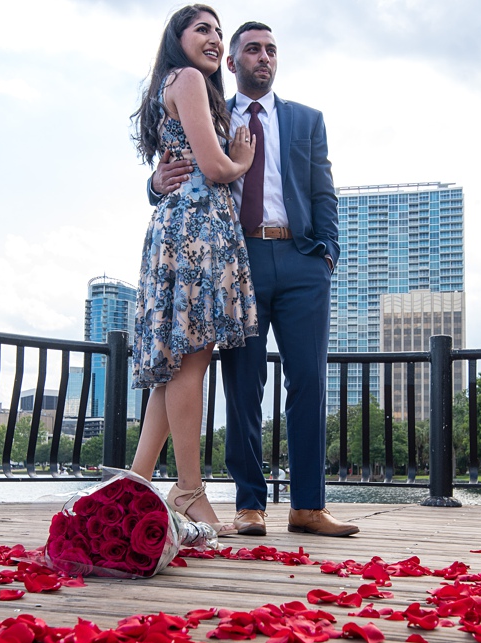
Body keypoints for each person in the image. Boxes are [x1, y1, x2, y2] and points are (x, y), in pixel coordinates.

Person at [151, 21, 358, 537]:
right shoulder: (216, 115)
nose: (263, 57)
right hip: (235, 262)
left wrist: (326, 255)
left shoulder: (307, 120)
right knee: (243, 385)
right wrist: (153, 183)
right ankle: (249, 505)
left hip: (300, 259)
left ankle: (309, 506)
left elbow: (324, 191)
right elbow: (180, 166)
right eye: (252, 49)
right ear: (232, 62)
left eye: (271, 50)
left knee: (308, 381)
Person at [128, 5, 258, 532]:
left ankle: (134, 486)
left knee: (176, 369)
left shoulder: (179, 84)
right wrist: (242, 160)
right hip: (198, 231)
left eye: (218, 33)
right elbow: (215, 167)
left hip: (188, 227)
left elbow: (184, 165)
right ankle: (187, 489)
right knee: (191, 362)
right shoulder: (186, 79)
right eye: (202, 29)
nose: (212, 39)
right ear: (176, 38)